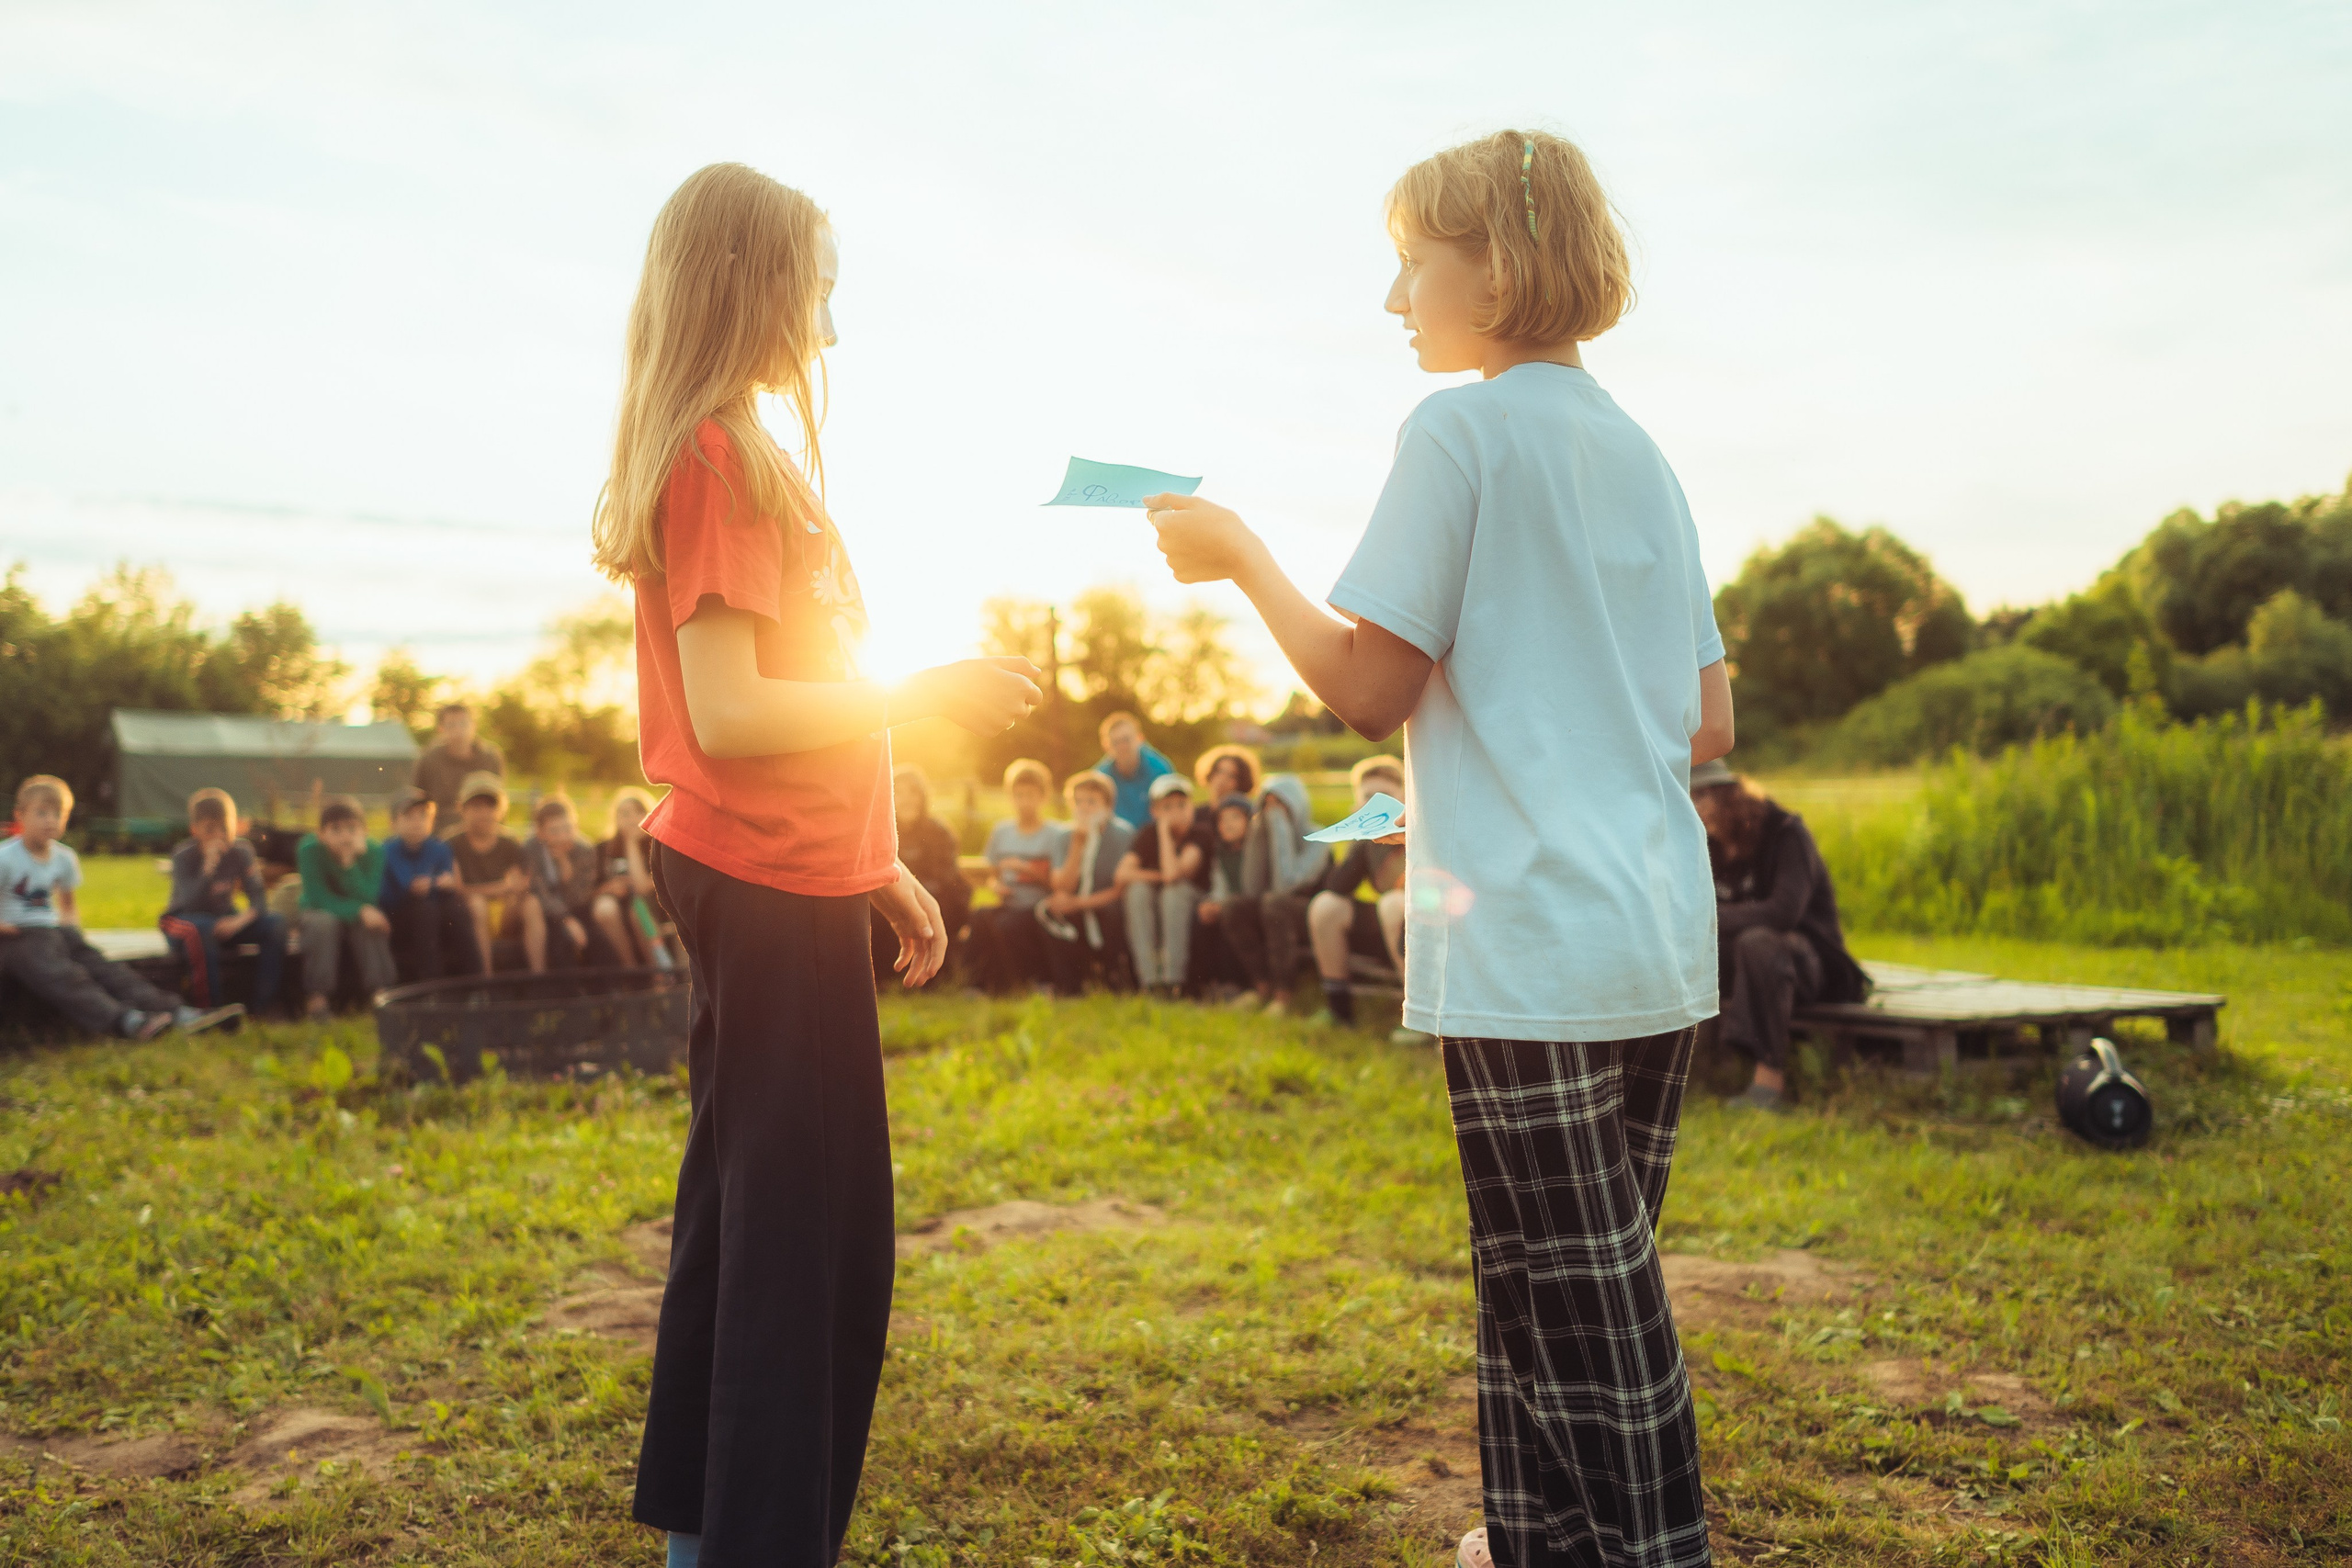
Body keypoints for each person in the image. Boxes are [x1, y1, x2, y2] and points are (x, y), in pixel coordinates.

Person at [1144, 130, 1735, 1568]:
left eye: (1414, 259)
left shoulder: (1458, 435)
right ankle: (1537, 1541)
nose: (1395, 294)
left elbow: (1365, 686)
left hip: (1532, 943)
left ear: (1502, 265)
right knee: (1565, 1277)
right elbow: (1709, 718)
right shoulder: (1642, 453)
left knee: (1587, 1312)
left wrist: (1242, 560)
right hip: (1659, 931)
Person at [590, 163, 1038, 1568]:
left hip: (792, 876)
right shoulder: (718, 459)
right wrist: (931, 690)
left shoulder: (742, 451)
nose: (835, 318)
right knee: (803, 1251)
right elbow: (731, 717)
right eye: (822, 283)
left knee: (759, 1223)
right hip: (760, 886)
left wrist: (876, 859)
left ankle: (711, 1537)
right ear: (757, 283)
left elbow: (795, 694)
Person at [0, 775, 241, 1039]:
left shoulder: (64, 857)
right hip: (17, 937)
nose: (50, 820)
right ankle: (125, 1020)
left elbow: (67, 907)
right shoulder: (6, 857)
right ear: (20, 816)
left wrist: (74, 938)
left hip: (54, 932)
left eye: (58, 814)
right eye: (42, 813)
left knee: (107, 970)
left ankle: (178, 1013)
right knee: (67, 977)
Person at [1690, 761, 1867, 1111]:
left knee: (1759, 942)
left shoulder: (1785, 833)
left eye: (1700, 797)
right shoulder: (1705, 844)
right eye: (1688, 797)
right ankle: (1686, 1077)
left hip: (1810, 963)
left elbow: (1782, 913)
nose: (1692, 808)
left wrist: (1703, 920)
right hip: (1747, 960)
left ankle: (1769, 1085)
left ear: (1727, 797)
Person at [1303, 757, 1410, 1027]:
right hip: (1387, 923)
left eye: (1384, 796)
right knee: (1326, 905)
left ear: (1404, 797)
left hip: (1425, 921)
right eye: (1367, 798)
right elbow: (1337, 887)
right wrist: (1358, 833)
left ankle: (1421, 1017)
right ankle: (1339, 1009)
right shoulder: (1367, 844)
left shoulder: (1419, 831)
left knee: (1391, 903)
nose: (1375, 804)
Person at [161, 787, 288, 1016]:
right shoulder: (183, 855)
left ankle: (264, 1006)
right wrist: (207, 869)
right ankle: (210, 1008)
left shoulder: (241, 851)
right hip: (181, 921)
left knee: (275, 924)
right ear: (195, 830)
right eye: (210, 829)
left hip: (223, 920)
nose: (218, 836)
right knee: (200, 929)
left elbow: (258, 899)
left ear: (236, 826)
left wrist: (239, 921)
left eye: (225, 829)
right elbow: (190, 903)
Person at [1217, 773, 1326, 1012]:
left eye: (1278, 805)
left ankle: (1283, 995)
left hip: (1310, 911)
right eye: (1266, 806)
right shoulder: (1263, 834)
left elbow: (1287, 883)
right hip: (1272, 906)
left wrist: (1280, 828)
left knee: (1275, 903)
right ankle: (1260, 986)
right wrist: (1258, 834)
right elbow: (1251, 886)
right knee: (1235, 906)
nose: (1271, 813)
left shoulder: (1319, 837)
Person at [962, 759, 1069, 993]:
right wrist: (996, 886)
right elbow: (991, 876)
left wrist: (1029, 871)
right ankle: (978, 985)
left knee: (1008, 924)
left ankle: (1027, 982)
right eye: (1018, 795)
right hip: (1008, 901)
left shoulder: (1055, 835)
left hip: (1038, 905)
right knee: (980, 917)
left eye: (1030, 795)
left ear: (1043, 797)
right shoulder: (1001, 831)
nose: (1024, 802)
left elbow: (1060, 884)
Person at [295, 795, 397, 1017]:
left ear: (365, 831)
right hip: (319, 910)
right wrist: (359, 910)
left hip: (357, 912)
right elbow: (317, 897)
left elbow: (368, 895)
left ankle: (382, 993)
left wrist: (349, 864)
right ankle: (318, 998)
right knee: (323, 923)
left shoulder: (374, 851)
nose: (345, 836)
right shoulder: (309, 850)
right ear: (321, 834)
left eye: (352, 829)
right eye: (336, 829)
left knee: (371, 925)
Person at [1116, 773, 1215, 995]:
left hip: (1192, 900)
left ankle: (1174, 980)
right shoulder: (1146, 835)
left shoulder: (1200, 834)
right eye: (1167, 807)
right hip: (1158, 900)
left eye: (1182, 805)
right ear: (1155, 811)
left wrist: (1164, 834)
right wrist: (1156, 877)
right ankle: (1149, 980)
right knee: (1137, 891)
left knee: (1173, 893)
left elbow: (1173, 874)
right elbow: (1122, 874)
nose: (1176, 812)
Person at [871, 766, 967, 988]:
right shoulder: (879, 831)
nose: (907, 799)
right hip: (887, 898)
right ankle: (884, 977)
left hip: (934, 896)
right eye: (899, 792)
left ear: (923, 797)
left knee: (936, 907)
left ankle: (933, 975)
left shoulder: (939, 832)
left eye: (913, 792)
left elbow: (948, 876)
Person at [1038, 770, 1134, 995]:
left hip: (1108, 902)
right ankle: (1068, 984)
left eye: (1091, 802)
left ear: (1108, 806)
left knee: (1111, 913)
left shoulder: (1123, 835)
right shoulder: (1065, 836)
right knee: (1050, 909)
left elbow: (1121, 889)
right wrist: (1077, 846)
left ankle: (1116, 979)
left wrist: (1080, 903)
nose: (1084, 808)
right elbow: (1062, 886)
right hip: (1077, 903)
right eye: (1078, 801)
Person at [379, 786, 481, 984]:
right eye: (409, 817)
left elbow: (446, 881)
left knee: (456, 909)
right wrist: (424, 887)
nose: (417, 822)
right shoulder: (387, 851)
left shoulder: (440, 848)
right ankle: (431, 983)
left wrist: (439, 885)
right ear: (394, 823)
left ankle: (476, 981)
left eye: (423, 816)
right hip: (398, 916)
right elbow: (395, 891)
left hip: (434, 911)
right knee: (424, 909)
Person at [449, 772, 546, 974]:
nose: (484, 813)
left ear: (500, 810)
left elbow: (518, 886)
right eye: (476, 806)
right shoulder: (452, 844)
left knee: (532, 905)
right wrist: (500, 888)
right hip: (471, 915)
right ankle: (486, 979)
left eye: (490, 806)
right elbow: (458, 890)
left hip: (505, 913)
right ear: (462, 809)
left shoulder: (510, 843)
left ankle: (539, 977)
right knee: (477, 905)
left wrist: (499, 889)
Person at [523, 795, 619, 969]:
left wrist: (565, 866)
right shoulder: (532, 850)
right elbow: (538, 891)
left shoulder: (584, 849)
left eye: (568, 828)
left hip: (578, 907)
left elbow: (581, 896)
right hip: (549, 912)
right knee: (562, 941)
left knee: (598, 941)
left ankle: (609, 988)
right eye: (555, 831)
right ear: (541, 833)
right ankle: (567, 991)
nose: (563, 836)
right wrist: (566, 919)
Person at [594, 787, 673, 969]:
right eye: (624, 813)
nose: (631, 819)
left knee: (638, 909)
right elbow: (591, 889)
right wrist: (611, 887)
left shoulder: (655, 845)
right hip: (617, 905)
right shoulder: (604, 848)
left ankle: (660, 971)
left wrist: (631, 843)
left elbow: (642, 887)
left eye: (637, 812)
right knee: (606, 909)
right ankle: (630, 970)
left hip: (651, 906)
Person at [1191, 791, 1261, 994]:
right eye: (1222, 819)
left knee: (1230, 917)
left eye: (1235, 817)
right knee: (1203, 916)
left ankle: (1237, 985)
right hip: (1228, 904)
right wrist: (1213, 903)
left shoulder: (1255, 849)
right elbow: (1219, 885)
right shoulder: (1221, 853)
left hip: (1251, 906)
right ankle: (1205, 986)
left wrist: (1223, 905)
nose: (1228, 824)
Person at [413, 703, 505, 830]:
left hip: (483, 826)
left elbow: (499, 800)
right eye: (451, 725)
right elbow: (418, 799)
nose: (458, 730)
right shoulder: (429, 759)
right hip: (441, 830)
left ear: (474, 725)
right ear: (441, 729)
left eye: (463, 724)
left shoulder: (491, 757)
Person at [1091, 711, 1172, 829]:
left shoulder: (1160, 769)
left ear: (1140, 738)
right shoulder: (1100, 778)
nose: (1122, 747)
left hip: (1154, 836)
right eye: (1115, 742)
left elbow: (1171, 813)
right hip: (1118, 840)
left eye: (1126, 740)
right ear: (1106, 746)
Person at [1192, 742, 1260, 803]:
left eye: (1231, 775)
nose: (1223, 779)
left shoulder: (1248, 814)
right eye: (1219, 771)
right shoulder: (1197, 814)